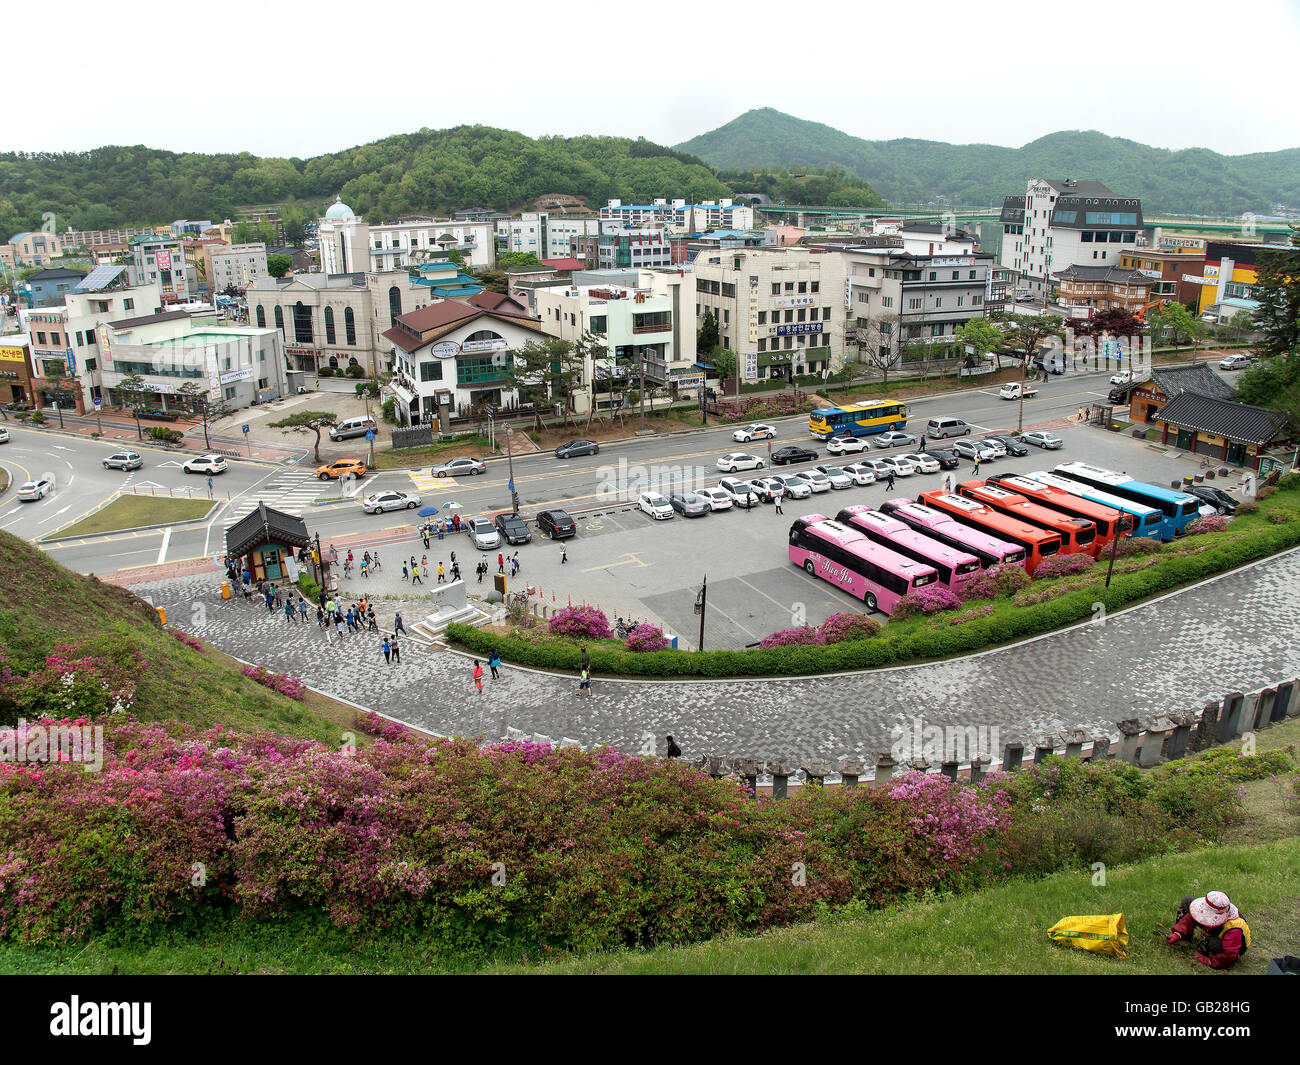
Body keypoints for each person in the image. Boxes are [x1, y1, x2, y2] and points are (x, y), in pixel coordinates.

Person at [1166, 891, 1250, 969]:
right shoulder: (1213, 906)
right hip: (1216, 929)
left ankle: (1209, 950)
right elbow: (1193, 916)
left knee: (1212, 944)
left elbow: (1231, 955)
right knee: (1187, 901)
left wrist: (1210, 962)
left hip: (1233, 946)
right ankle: (1186, 936)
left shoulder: (1234, 928)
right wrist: (1178, 933)